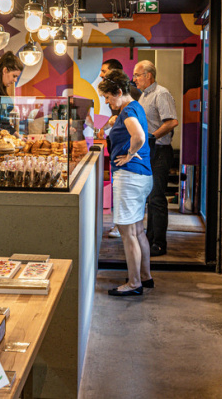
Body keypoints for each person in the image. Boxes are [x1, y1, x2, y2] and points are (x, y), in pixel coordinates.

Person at [98, 69, 153, 296]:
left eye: (109, 98)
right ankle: (145, 277)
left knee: (128, 232)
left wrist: (129, 154)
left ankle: (134, 283)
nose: (108, 102)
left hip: (129, 176)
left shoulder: (128, 110)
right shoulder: (133, 107)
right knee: (138, 230)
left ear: (119, 92)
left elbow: (139, 136)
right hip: (141, 176)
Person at [133, 60, 178, 257]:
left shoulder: (161, 93)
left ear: (148, 75)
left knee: (157, 198)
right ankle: (149, 240)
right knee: (150, 198)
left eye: (137, 75)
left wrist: (151, 137)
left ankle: (159, 244)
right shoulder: (144, 96)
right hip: (148, 151)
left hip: (159, 151)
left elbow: (172, 122)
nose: (134, 79)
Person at [97, 59, 142, 239]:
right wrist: (106, 128)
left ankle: (123, 227)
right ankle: (123, 226)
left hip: (129, 159)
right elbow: (116, 120)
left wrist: (130, 153)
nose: (101, 74)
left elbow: (137, 134)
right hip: (122, 154)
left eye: (104, 71)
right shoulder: (121, 100)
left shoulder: (129, 102)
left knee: (132, 233)